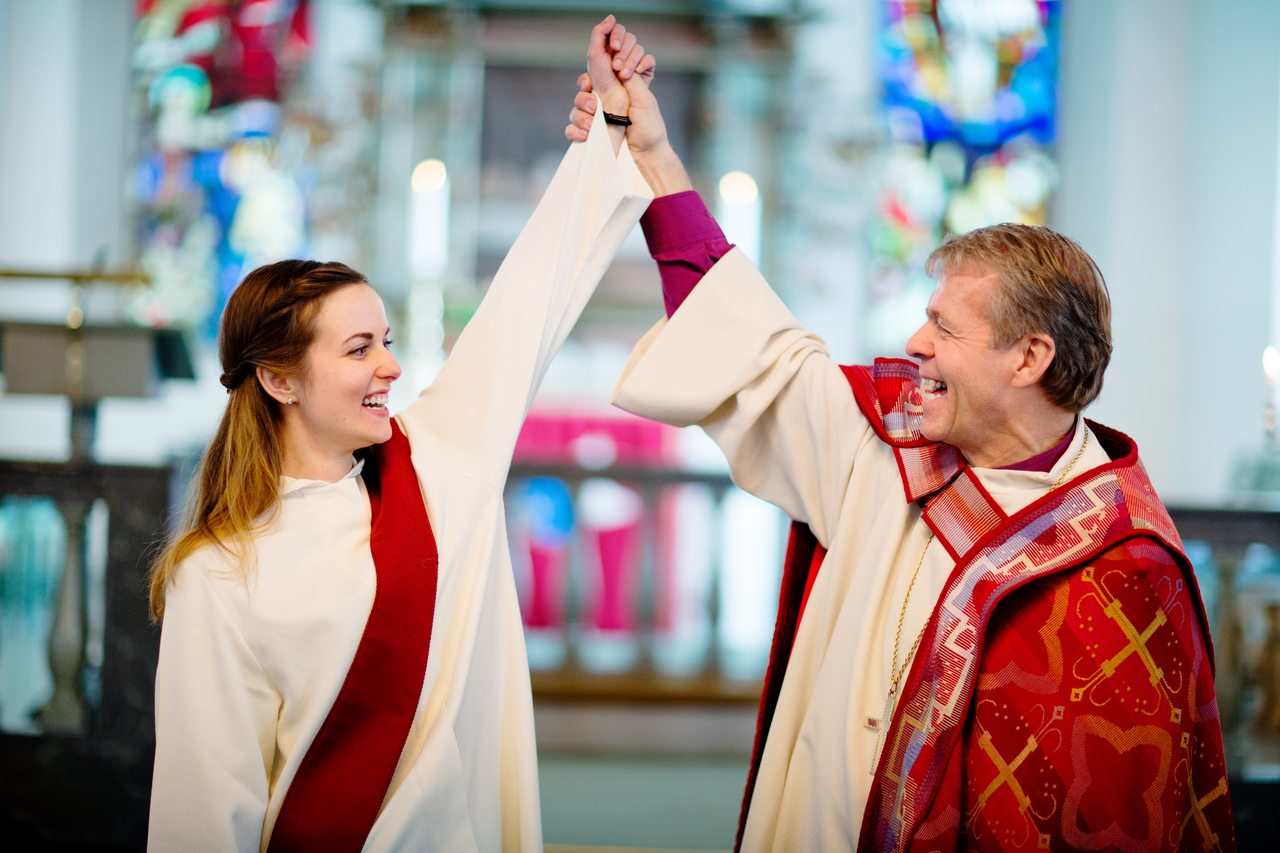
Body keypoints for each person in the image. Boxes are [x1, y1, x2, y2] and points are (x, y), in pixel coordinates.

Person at [567, 28, 1236, 853]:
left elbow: (1123, 814)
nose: (914, 344)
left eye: (944, 328)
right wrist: (653, 155)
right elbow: (743, 339)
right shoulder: (883, 445)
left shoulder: (1124, 568)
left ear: (1029, 358)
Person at [146, 17, 654, 852]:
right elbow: (203, 809)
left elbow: (527, 302)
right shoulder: (219, 573)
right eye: (358, 349)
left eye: (384, 339)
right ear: (279, 379)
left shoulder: (441, 464)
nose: (390, 364)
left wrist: (610, 125)